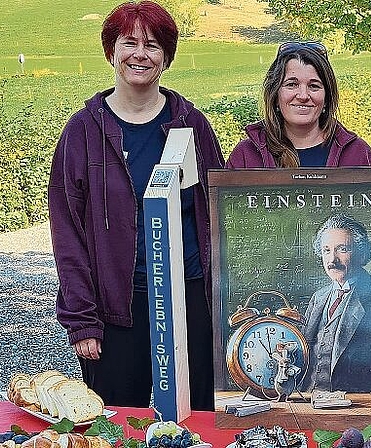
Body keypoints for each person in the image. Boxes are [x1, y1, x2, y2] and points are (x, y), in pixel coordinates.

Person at [48, 1, 224, 410]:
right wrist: (82, 319)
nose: (140, 54)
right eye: (129, 42)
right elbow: (68, 234)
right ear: (111, 51)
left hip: (188, 299)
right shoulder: (84, 131)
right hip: (116, 309)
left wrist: (222, 303)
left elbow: (217, 211)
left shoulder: (191, 124)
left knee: (194, 417)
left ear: (167, 57)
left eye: (153, 45)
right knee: (116, 421)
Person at [302, 214, 371, 394]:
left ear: (361, 253)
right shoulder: (318, 298)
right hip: (307, 403)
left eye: (342, 249)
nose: (332, 260)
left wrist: (367, 408)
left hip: (357, 408)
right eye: (326, 250)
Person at [225, 41, 371, 168]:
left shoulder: (358, 155)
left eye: (314, 86)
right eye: (292, 84)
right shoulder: (245, 157)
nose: (303, 96)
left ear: (327, 97)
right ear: (276, 95)